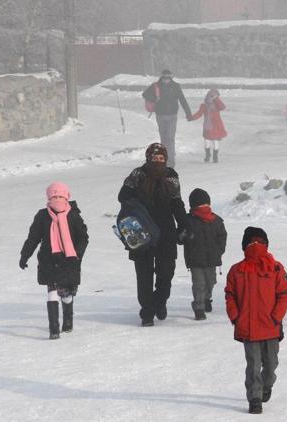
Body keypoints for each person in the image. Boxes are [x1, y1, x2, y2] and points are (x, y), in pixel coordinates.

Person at [118, 143, 190, 326]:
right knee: (144, 276)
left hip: (166, 232)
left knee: (166, 273)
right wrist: (137, 205)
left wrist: (184, 225)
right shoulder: (137, 174)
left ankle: (159, 301)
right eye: (154, 158)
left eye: (161, 158)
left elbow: (177, 203)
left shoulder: (171, 176)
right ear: (148, 158)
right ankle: (147, 313)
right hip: (142, 232)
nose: (158, 161)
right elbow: (123, 196)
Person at [225, 227, 287, 415]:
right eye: (252, 242)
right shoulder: (237, 270)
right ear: (245, 246)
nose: (256, 246)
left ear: (266, 245)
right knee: (253, 364)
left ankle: (266, 385)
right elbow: (230, 295)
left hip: (270, 326)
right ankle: (255, 398)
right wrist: (236, 316)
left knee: (271, 364)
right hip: (249, 327)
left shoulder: (275, 267)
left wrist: (276, 317)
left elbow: (284, 294)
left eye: (259, 242)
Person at [19, 182, 89, 339]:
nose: (57, 199)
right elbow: (33, 238)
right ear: (48, 198)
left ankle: (68, 317)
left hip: (69, 260)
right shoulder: (42, 215)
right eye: (53, 196)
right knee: (52, 292)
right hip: (48, 260)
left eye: (60, 196)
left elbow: (83, 237)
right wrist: (25, 255)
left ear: (66, 197)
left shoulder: (73, 215)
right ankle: (54, 329)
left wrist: (77, 254)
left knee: (65, 294)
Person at [183, 188, 227, 320]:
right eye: (200, 205)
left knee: (210, 282)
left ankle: (207, 299)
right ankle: (199, 308)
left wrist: (219, 250)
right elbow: (179, 238)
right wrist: (184, 236)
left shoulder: (216, 220)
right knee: (199, 284)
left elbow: (222, 236)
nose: (204, 207)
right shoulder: (188, 220)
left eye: (206, 205)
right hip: (195, 259)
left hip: (212, 258)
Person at [142, 69, 192, 167]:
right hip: (160, 115)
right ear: (162, 77)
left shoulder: (176, 86)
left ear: (171, 77)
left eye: (168, 77)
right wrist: (154, 98)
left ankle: (170, 161)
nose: (166, 80)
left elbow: (182, 100)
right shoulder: (156, 85)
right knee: (164, 138)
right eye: (164, 77)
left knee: (170, 138)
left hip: (172, 116)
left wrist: (188, 113)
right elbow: (145, 94)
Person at [189, 89, 227, 163]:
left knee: (215, 141)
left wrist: (216, 99)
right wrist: (192, 117)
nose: (213, 97)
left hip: (216, 125)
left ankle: (215, 156)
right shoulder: (204, 106)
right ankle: (207, 154)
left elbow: (222, 107)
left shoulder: (217, 105)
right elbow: (199, 113)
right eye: (211, 96)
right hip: (207, 126)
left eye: (215, 96)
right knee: (207, 141)